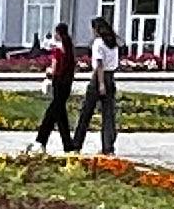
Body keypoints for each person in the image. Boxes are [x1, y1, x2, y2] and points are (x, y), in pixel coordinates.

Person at [32, 23, 79, 153]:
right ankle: (67, 144)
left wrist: (48, 72)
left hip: (58, 82)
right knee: (59, 113)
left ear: (58, 33)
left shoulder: (58, 50)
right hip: (67, 83)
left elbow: (54, 67)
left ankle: (41, 141)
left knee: (52, 113)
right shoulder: (69, 48)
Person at [86, 14, 123, 155]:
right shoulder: (113, 43)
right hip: (111, 77)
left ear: (97, 29)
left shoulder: (98, 43)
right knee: (109, 114)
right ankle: (108, 147)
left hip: (99, 77)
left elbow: (100, 64)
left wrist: (100, 84)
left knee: (86, 112)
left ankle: (76, 143)